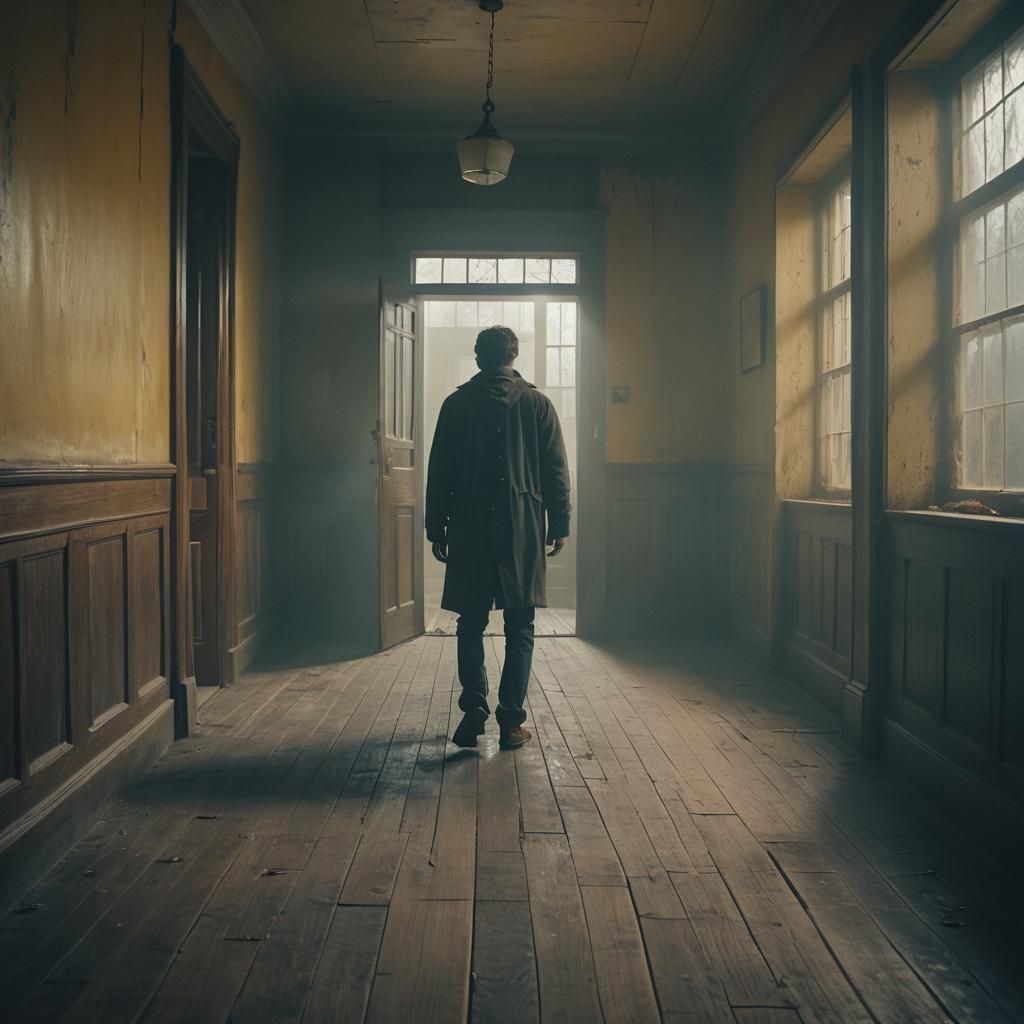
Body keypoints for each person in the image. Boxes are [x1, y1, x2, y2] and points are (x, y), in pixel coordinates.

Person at [426, 324, 571, 750]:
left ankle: (473, 711)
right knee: (520, 624)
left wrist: (437, 526)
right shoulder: (538, 404)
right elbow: (556, 472)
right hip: (521, 523)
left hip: (469, 524)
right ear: (514, 356)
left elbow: (440, 473)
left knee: (470, 622)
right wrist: (559, 524)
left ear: (478, 358)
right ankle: (511, 722)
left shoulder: (456, 404)